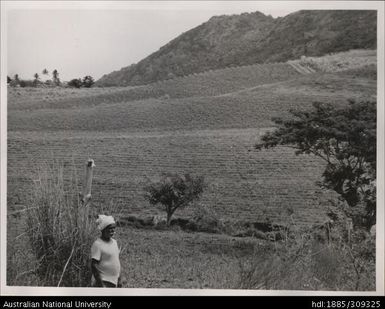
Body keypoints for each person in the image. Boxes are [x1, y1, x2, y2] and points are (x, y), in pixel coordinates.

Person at [91, 215, 122, 288]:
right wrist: (101, 284)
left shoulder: (114, 242)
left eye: (113, 228)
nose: (112, 231)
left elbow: (117, 261)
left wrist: (120, 278)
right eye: (110, 228)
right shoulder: (98, 244)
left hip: (114, 281)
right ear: (103, 230)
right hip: (104, 281)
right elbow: (94, 265)